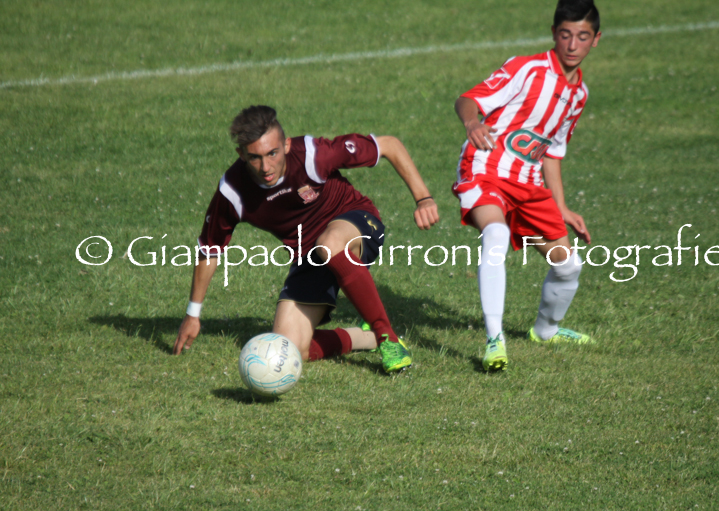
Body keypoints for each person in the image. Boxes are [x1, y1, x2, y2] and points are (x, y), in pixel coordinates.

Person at [173, 105, 439, 373]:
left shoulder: (313, 155)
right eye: (254, 157)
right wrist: (193, 314)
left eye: (272, 153)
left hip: (357, 224)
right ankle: (365, 337)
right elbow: (210, 249)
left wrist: (423, 199)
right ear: (240, 154)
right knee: (289, 348)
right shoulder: (233, 191)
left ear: (287, 145)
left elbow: (389, 145)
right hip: (309, 255)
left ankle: (387, 338)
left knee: (330, 244)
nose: (265, 167)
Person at [453, 0, 601, 371]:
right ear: (554, 34)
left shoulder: (579, 95)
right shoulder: (527, 68)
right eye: (565, 35)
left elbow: (552, 152)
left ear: (596, 40)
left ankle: (546, 331)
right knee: (496, 234)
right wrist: (472, 123)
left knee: (569, 266)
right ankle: (494, 340)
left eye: (582, 36)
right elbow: (468, 99)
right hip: (486, 166)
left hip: (529, 184)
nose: (572, 45)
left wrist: (561, 206)